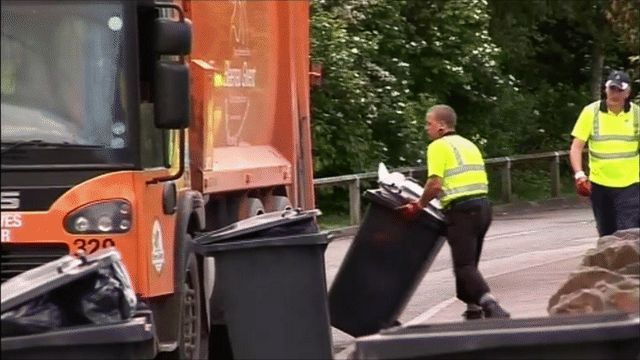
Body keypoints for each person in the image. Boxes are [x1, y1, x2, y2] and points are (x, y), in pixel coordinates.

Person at [398, 104, 510, 320]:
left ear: (441, 126)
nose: (426, 128)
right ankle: (473, 309)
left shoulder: (438, 147)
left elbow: (435, 184)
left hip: (461, 210)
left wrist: (419, 205)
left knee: (465, 266)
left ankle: (492, 306)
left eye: (428, 123)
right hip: (483, 208)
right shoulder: (469, 144)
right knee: (470, 263)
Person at [569, 70, 640, 237]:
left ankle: (629, 263)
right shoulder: (590, 112)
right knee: (606, 234)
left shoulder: (637, 114)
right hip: (600, 185)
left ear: (627, 93)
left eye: (619, 90)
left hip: (630, 185)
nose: (614, 94)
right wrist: (580, 175)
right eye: (611, 89)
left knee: (629, 233)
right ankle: (610, 264)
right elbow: (576, 147)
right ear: (605, 89)